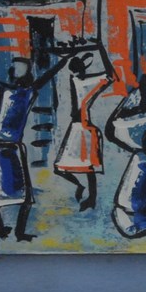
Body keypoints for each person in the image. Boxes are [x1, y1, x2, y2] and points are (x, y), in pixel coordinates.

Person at [0, 55, 70, 241]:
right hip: (5, 146)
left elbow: (45, 78)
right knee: (9, 194)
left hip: (8, 146)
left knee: (16, 194)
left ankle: (12, 230)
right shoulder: (12, 91)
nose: (15, 71)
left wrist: (62, 63)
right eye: (15, 68)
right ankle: (7, 229)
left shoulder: (22, 92)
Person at [53, 45, 114, 211]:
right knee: (73, 168)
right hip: (79, 126)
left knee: (86, 168)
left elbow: (109, 76)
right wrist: (101, 49)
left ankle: (90, 197)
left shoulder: (80, 81)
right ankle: (84, 191)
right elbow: (109, 75)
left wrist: (100, 49)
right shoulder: (81, 82)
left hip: (82, 126)